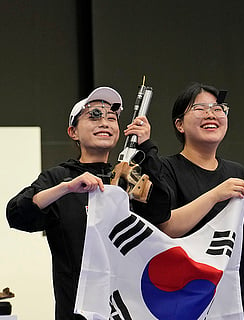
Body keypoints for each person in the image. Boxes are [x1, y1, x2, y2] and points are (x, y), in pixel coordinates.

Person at [123, 82, 244, 320]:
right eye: (200, 108)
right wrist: (215, 195)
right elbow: (167, 228)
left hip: (231, 297)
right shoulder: (164, 169)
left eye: (218, 108)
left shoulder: (237, 172)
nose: (211, 114)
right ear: (179, 124)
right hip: (185, 300)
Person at [5, 87, 170, 320]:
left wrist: (147, 147)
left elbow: (161, 212)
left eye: (111, 118)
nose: (104, 122)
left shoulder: (126, 177)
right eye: (94, 116)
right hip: (76, 310)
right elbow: (17, 214)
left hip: (129, 309)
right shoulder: (58, 178)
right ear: (73, 131)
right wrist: (67, 187)